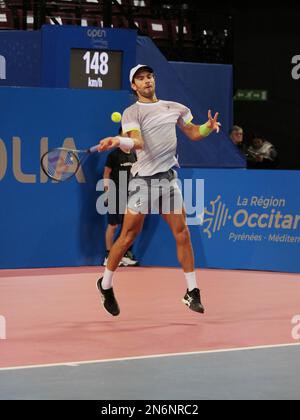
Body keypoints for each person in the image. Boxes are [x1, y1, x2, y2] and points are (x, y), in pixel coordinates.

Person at [96, 64, 220, 317]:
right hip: (143, 182)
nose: (146, 81)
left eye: (149, 76)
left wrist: (207, 127)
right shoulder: (132, 112)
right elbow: (137, 142)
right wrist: (119, 140)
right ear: (134, 86)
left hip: (168, 179)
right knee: (128, 237)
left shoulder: (176, 108)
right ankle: (105, 284)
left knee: (182, 232)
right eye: (140, 79)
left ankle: (192, 291)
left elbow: (193, 133)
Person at [102, 128, 139, 267]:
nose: (128, 137)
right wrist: (107, 192)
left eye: (129, 135)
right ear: (119, 136)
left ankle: (123, 255)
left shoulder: (134, 156)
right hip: (115, 193)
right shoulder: (113, 156)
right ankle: (108, 256)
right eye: (125, 134)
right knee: (113, 225)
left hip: (130, 195)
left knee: (129, 226)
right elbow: (106, 175)